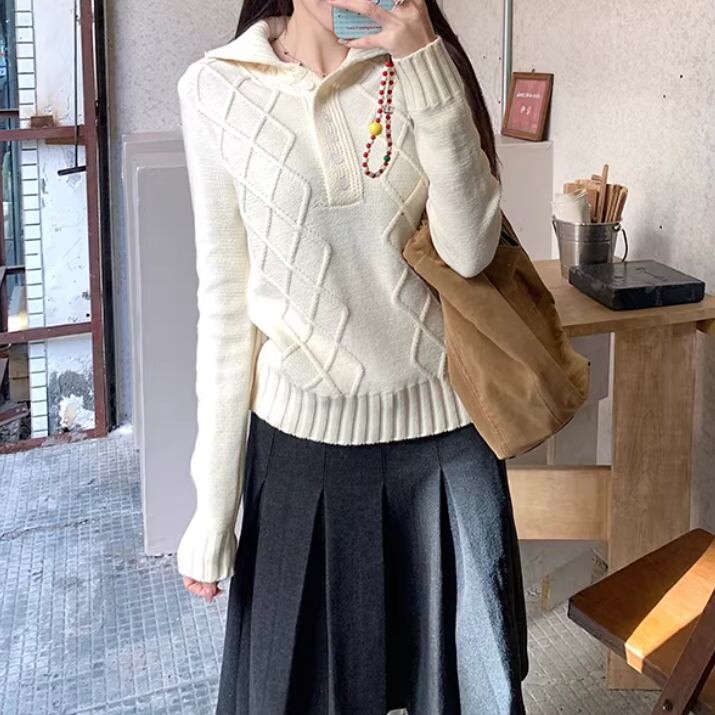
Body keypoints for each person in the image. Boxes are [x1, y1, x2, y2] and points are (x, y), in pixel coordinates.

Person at [175, 0, 529, 712]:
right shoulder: (214, 87)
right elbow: (225, 307)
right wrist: (212, 508)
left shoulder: (420, 64)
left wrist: (425, 61)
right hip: (300, 453)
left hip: (447, 442)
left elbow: (469, 251)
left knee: (471, 692)